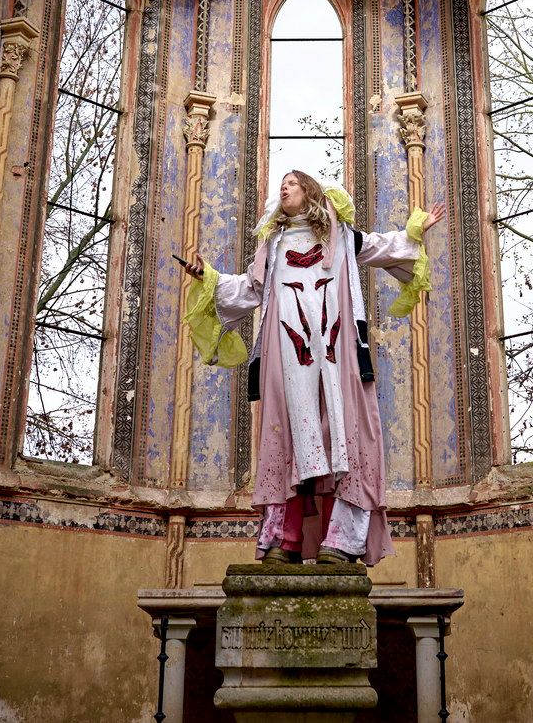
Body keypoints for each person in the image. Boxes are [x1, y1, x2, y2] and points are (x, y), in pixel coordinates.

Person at [182, 169, 443, 567]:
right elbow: (252, 289)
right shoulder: (271, 243)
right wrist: (208, 277)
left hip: (337, 355)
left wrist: (415, 230)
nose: (283, 188)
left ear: (309, 190)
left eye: (291, 182)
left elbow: (382, 247)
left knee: (346, 435)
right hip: (286, 356)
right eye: (281, 184)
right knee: (286, 437)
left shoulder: (342, 235)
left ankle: (340, 543)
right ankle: (279, 541)